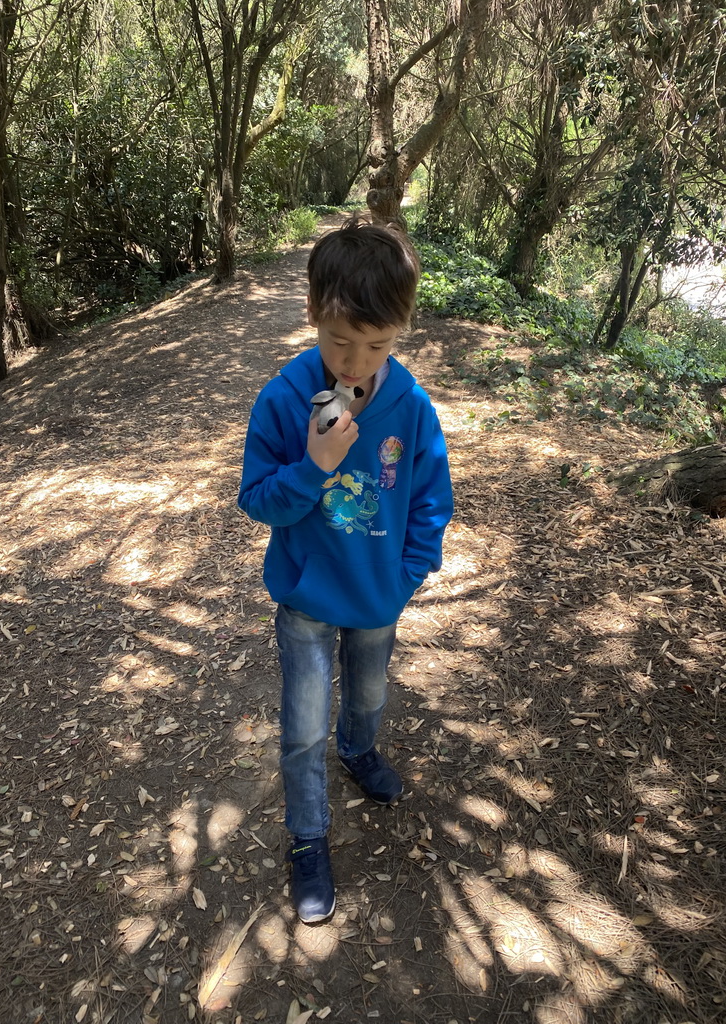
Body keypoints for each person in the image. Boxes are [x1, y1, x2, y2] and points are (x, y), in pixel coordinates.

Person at [238, 217, 453, 923]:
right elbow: (258, 501)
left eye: (378, 344)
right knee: (303, 726)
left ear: (400, 331)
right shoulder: (282, 398)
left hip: (377, 599)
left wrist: (408, 575)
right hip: (305, 600)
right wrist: (314, 466)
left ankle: (359, 751)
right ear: (312, 315)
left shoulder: (411, 408)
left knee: (366, 697)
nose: (355, 362)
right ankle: (307, 835)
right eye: (339, 341)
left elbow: (430, 498)